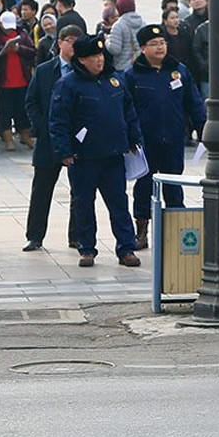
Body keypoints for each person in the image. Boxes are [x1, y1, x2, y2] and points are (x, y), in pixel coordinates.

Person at [49, 34, 143, 268]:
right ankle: (87, 248)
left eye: (101, 55)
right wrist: (64, 151)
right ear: (81, 60)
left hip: (113, 155)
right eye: (93, 56)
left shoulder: (114, 79)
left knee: (119, 203)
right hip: (84, 157)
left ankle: (126, 248)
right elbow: (58, 120)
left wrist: (134, 138)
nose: (99, 60)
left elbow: (128, 111)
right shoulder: (68, 84)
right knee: (83, 203)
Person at [123, 24, 205, 249]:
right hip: (144, 142)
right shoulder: (132, 75)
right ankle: (141, 231)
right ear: (142, 48)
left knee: (174, 184)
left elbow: (194, 102)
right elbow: (125, 109)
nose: (159, 47)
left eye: (162, 43)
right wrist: (129, 137)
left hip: (173, 139)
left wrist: (202, 127)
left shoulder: (179, 70)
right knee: (143, 187)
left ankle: (177, 231)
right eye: (153, 44)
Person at [23, 24, 82, 252]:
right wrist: (41, 126)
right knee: (41, 189)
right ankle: (35, 236)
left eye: (78, 41)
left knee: (79, 190)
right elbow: (31, 101)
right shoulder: (45, 70)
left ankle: (76, 235)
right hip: (49, 140)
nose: (74, 45)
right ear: (60, 43)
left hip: (76, 140)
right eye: (70, 41)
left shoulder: (83, 71)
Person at [0, 13, 35, 149]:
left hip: (22, 78)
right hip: (3, 79)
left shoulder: (22, 34)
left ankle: (25, 135)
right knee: (5, 111)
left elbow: (32, 51)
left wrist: (19, 49)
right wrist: (3, 49)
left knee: (22, 109)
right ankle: (8, 138)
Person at [103, 0, 145, 72]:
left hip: (123, 66)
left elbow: (115, 49)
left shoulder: (118, 25)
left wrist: (107, 40)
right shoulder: (143, 23)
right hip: (140, 64)